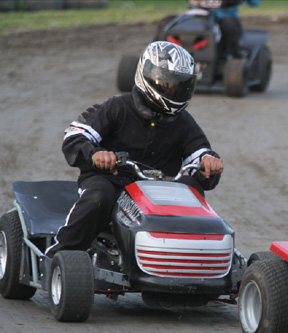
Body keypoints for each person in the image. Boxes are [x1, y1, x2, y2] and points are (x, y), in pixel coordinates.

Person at [45, 41, 223, 258]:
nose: (174, 90)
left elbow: (200, 154)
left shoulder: (183, 121)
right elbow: (75, 136)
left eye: (180, 85)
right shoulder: (117, 107)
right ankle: (61, 254)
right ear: (148, 76)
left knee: (191, 189)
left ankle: (190, 257)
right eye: (168, 84)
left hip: (159, 189)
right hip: (112, 180)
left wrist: (209, 164)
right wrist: (95, 154)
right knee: (98, 196)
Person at [189, 0, 260, 59]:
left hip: (223, 18)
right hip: (198, 17)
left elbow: (254, 3)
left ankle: (229, 56)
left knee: (229, 26)